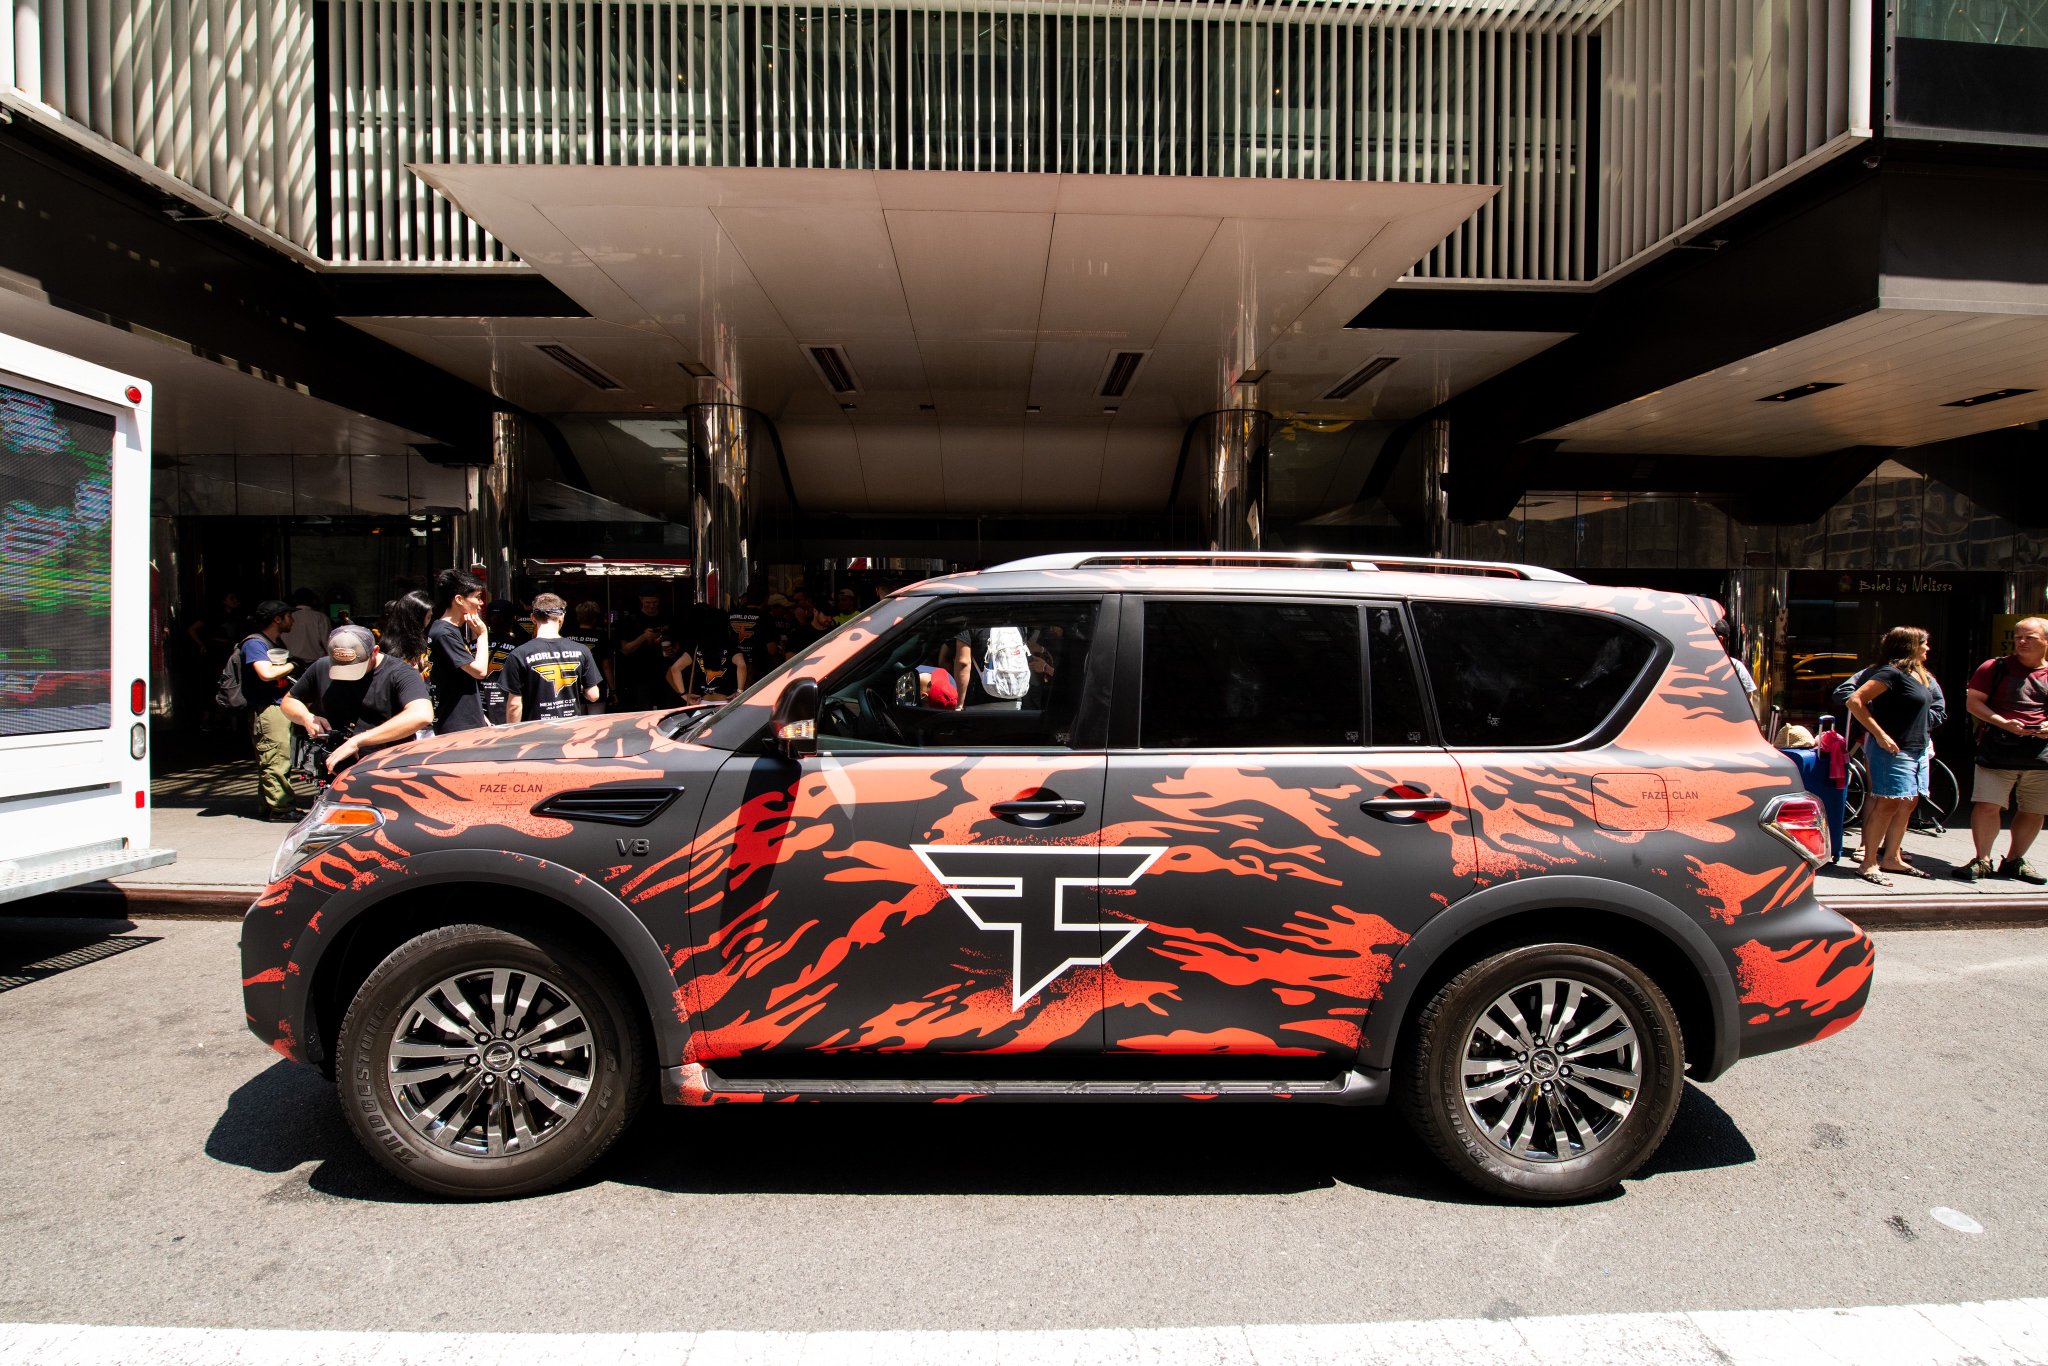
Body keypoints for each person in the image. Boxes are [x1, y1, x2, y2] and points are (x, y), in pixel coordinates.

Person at [1845, 626, 1940, 886]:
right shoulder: (1891, 673)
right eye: (1923, 643)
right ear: (1910, 646)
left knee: (1907, 802)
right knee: (1887, 802)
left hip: (1916, 748)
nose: (1927, 647)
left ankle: (1891, 858)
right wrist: (1879, 735)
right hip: (1894, 749)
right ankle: (1868, 863)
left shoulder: (1919, 674)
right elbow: (1854, 700)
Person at [1957, 615, 2048, 884]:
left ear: (2046, 641)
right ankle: (1982, 860)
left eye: (2029, 637)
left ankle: (2014, 860)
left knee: (2034, 809)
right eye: (2019, 637)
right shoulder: (1994, 667)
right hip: (1998, 749)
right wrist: (2003, 722)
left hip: (2041, 753)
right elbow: (1973, 703)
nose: (2021, 642)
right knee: (1987, 805)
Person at [280, 625, 433, 776]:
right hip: (335, 766)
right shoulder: (321, 666)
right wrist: (306, 717)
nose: (347, 675)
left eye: (354, 668)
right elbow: (289, 701)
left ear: (375, 651)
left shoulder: (399, 673)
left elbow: (421, 715)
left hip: (387, 767)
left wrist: (358, 741)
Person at [241, 599, 300, 820]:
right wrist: (293, 665)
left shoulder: (274, 643)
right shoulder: (255, 644)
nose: (292, 620)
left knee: (274, 757)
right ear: (277, 619)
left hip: (277, 705)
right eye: (289, 616)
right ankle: (282, 809)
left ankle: (270, 806)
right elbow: (266, 673)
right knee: (276, 758)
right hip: (268, 708)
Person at [502, 594, 603, 723]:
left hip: (535, 729)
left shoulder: (519, 654)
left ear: (533, 618)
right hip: (570, 727)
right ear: (561, 618)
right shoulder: (582, 650)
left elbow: (514, 705)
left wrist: (514, 731)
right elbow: (594, 695)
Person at [426, 568, 491, 733]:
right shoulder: (445, 633)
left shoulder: (448, 630)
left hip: (464, 719)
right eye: (477, 597)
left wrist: (479, 714)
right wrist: (482, 635)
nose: (481, 603)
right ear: (459, 600)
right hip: (456, 724)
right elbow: (480, 671)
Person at [614, 588, 672, 710]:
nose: (652, 605)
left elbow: (677, 644)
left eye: (654, 602)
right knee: (644, 711)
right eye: (648, 602)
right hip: (639, 675)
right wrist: (643, 637)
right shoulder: (631, 620)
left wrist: (671, 649)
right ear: (641, 600)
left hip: (665, 673)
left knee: (666, 710)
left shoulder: (667, 618)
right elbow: (625, 650)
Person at [476, 599, 526, 725]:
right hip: (507, 711)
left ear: (486, 620)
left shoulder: (473, 645)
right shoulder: (520, 648)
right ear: (512, 620)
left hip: (478, 711)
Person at [564, 599, 616, 709]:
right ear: (595, 618)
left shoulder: (567, 637)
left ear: (578, 617)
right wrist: (612, 689)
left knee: (577, 718)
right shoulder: (601, 637)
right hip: (596, 683)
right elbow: (606, 666)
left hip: (572, 683)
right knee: (596, 718)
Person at [281, 588, 333, 668]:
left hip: (290, 663)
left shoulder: (286, 617)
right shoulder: (321, 618)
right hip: (315, 664)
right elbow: (328, 643)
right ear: (313, 600)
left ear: (295, 600)